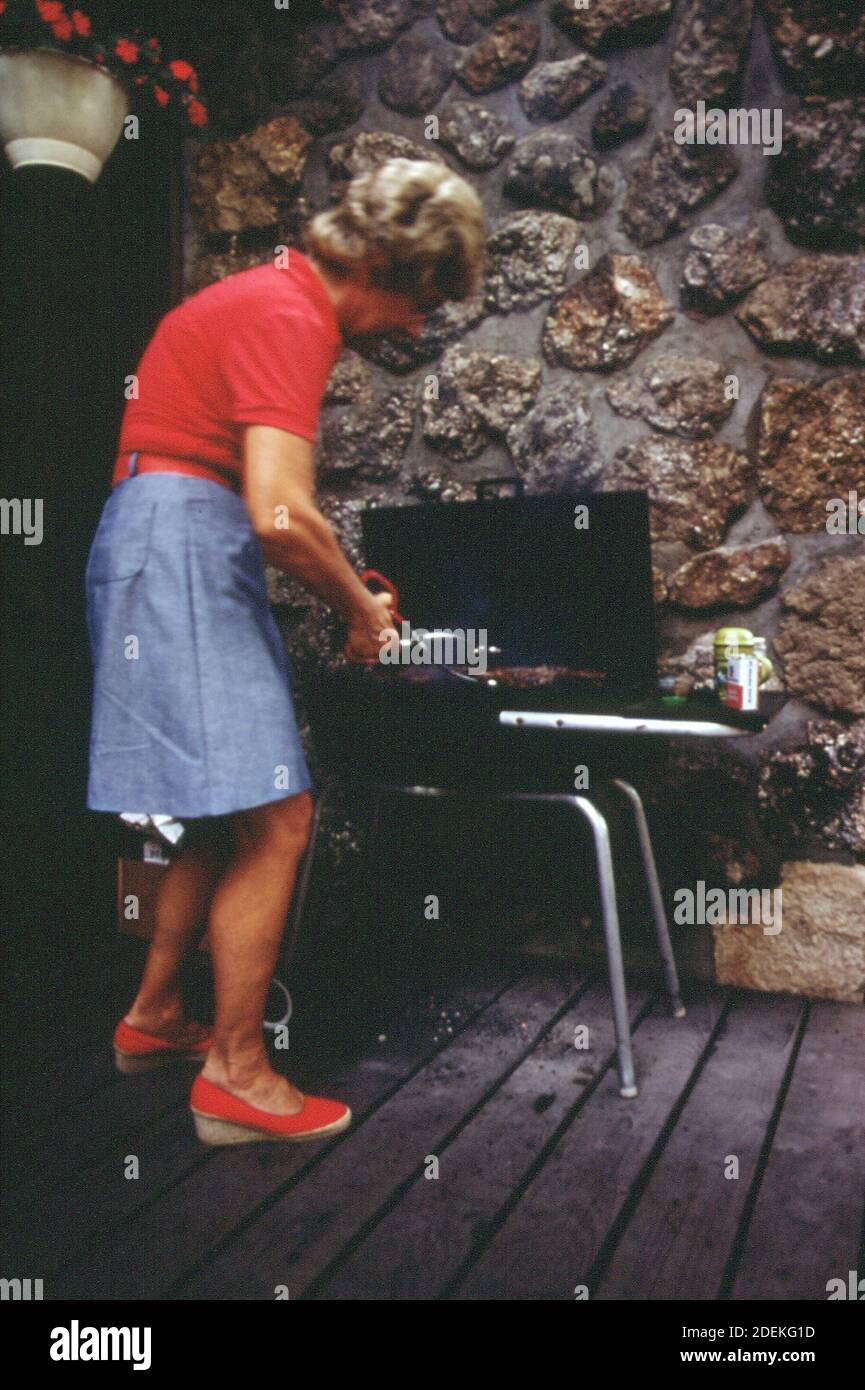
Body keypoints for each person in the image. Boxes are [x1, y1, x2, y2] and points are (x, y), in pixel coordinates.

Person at [87, 158, 486, 1144]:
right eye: (426, 299)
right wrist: (360, 608)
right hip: (183, 536)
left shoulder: (267, 297)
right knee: (280, 817)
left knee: (219, 813)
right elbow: (276, 511)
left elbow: (260, 505)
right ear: (384, 266)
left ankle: (153, 1018)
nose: (420, 325)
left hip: (159, 533)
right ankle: (237, 1073)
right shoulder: (291, 314)